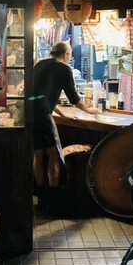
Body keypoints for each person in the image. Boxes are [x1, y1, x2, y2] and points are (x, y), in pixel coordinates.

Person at [31, 40, 100, 213]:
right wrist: (89, 110)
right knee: (53, 153)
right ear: (66, 54)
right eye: (70, 54)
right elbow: (73, 97)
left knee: (38, 153)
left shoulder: (40, 64)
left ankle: (42, 198)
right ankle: (54, 199)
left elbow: (41, 95)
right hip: (43, 115)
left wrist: (61, 114)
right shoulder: (64, 68)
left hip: (30, 112)